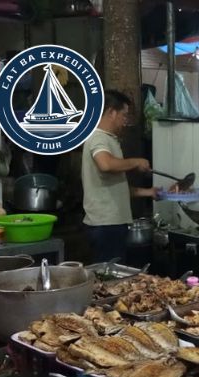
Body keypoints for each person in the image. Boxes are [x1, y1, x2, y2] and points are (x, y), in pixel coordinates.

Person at [81, 90, 156, 262]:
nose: (125, 121)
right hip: (105, 225)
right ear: (111, 112)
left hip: (111, 223)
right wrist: (136, 162)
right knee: (109, 278)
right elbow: (106, 164)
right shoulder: (98, 137)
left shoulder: (108, 139)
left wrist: (149, 192)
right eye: (124, 115)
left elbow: (115, 187)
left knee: (113, 276)